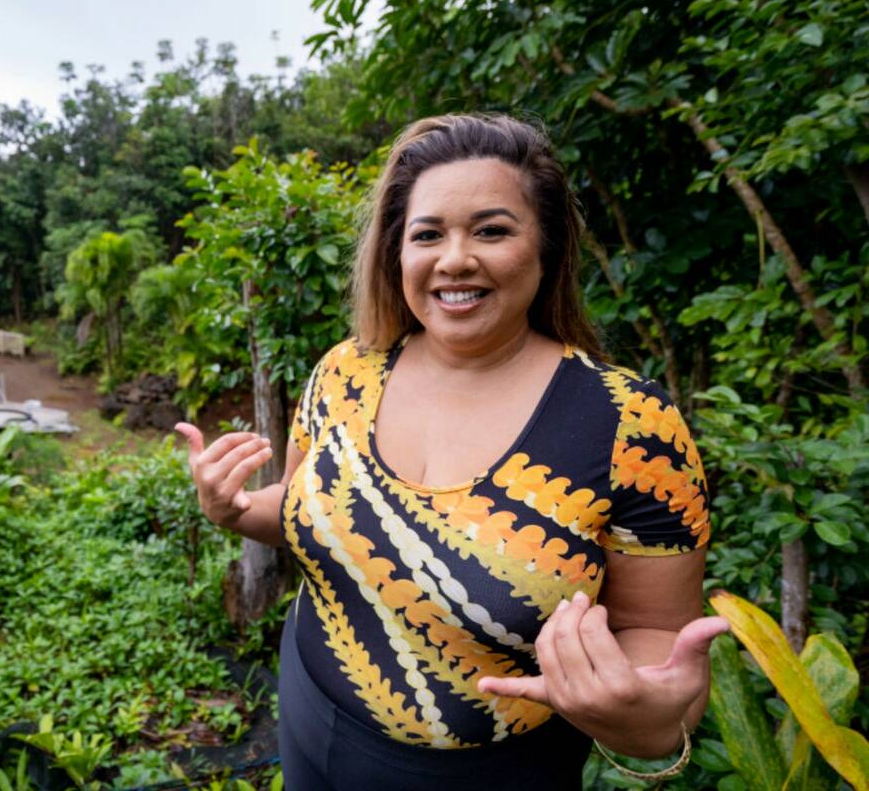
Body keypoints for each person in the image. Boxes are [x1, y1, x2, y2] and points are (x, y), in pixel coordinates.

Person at [175, 113, 728, 790]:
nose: (454, 258)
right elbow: (299, 507)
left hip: (491, 771)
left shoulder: (631, 424)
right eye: (428, 234)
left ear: (547, 247)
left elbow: (652, 633)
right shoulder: (345, 373)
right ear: (397, 254)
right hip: (310, 709)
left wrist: (639, 714)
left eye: (492, 230)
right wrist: (233, 509)